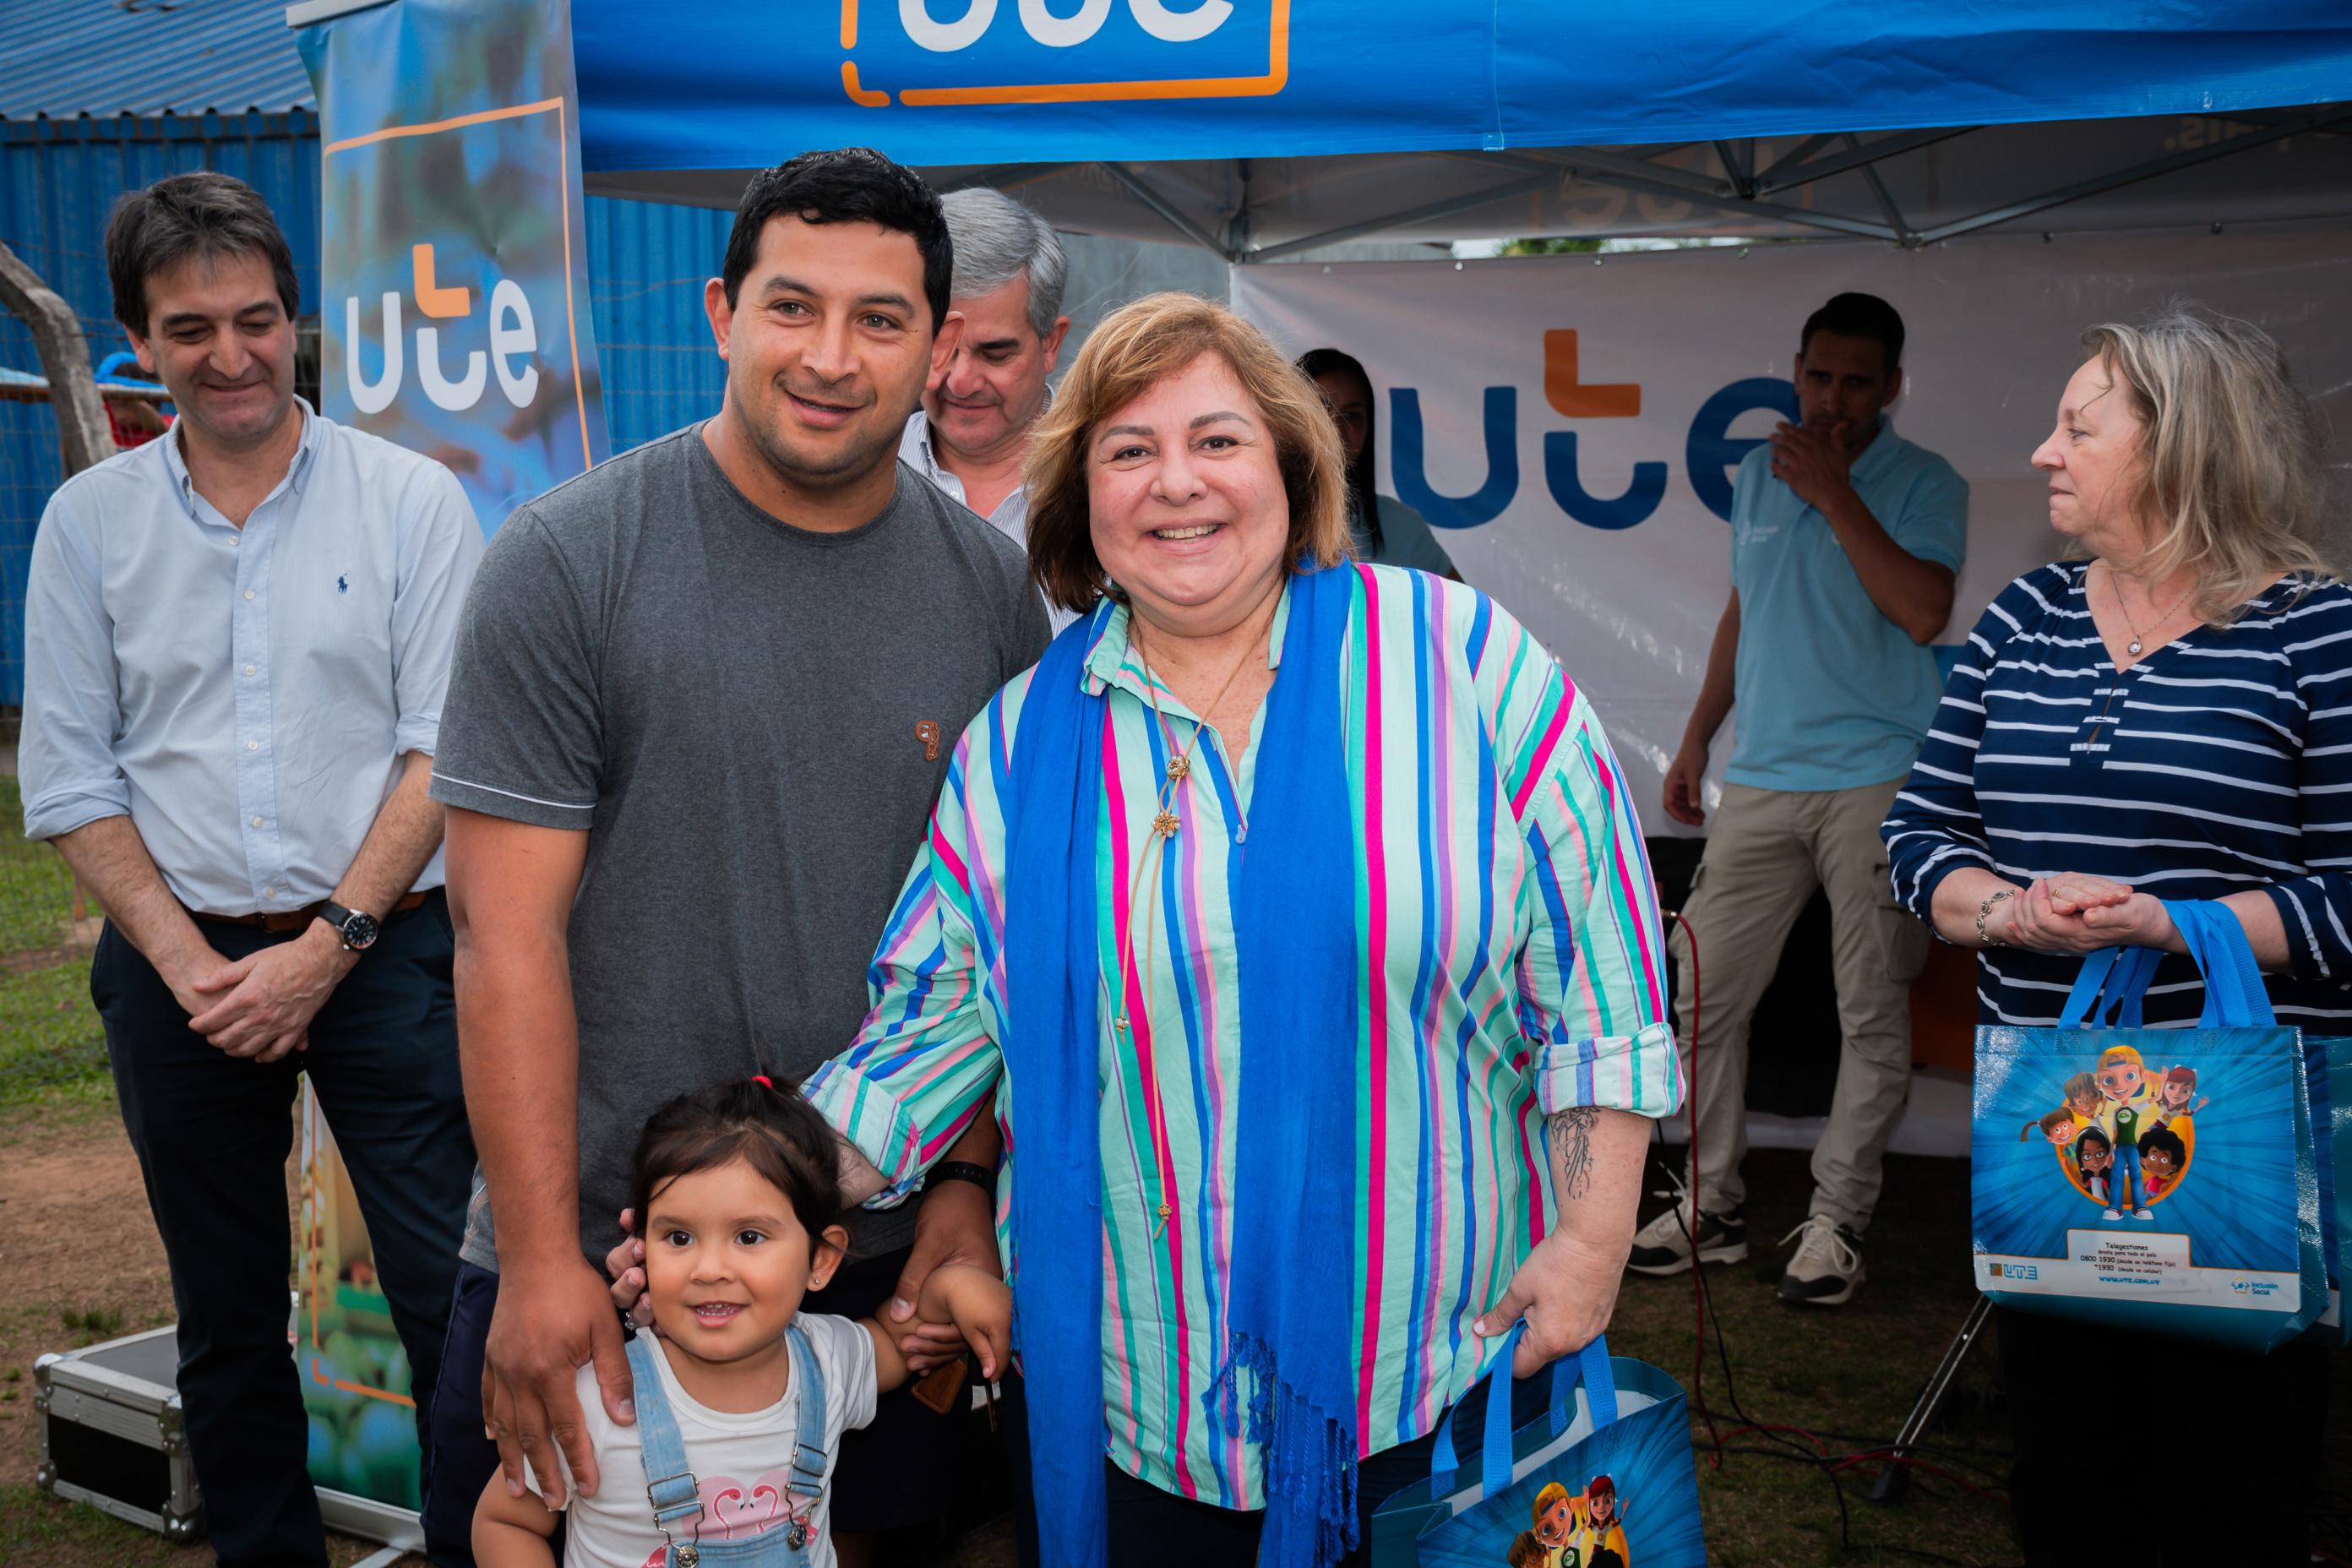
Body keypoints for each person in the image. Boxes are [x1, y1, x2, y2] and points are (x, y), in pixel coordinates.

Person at [794, 294, 1683, 1565]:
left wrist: (1596, 1244)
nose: (1177, 485)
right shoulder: (1020, 746)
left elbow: (1601, 988)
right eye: (1128, 449)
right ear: (1079, 499)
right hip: (1139, 1410)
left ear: (1290, 463)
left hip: (1450, 1372)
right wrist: (740, 1198)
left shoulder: (1461, 660)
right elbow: (923, 1037)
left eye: (1217, 441)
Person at [424, 147, 1050, 1565]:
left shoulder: (991, 593)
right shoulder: (568, 559)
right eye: (791, 306)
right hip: (601, 1257)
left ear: (933, 344)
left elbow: (999, 947)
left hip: (867, 1269)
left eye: (879, 319)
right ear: (720, 313)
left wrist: (957, 1200)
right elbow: (498, 940)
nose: (830, 358)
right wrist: (537, 1262)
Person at [18, 171, 482, 1565]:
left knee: (442, 1297)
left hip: (388, 950)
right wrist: (195, 966)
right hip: (181, 967)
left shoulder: (410, 500)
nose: (229, 354)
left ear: (297, 320)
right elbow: (71, 776)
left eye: (256, 319)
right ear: (136, 342)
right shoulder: (88, 527)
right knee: (223, 1308)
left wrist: (324, 946)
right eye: (189, 327)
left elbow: (440, 749)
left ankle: (484, 1543)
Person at [1880, 303, 2340, 1564]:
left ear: (2182, 446)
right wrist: (2011, 909)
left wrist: (2173, 926)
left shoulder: (2316, 634)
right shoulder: (2022, 620)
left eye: (2079, 426)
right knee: (2067, 1473)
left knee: (2232, 1481)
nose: (2043, 451)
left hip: (2238, 1145)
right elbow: (1917, 841)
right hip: (2050, 1132)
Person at [1634, 291, 1968, 1307]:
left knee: (1868, 1009)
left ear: (1892, 387)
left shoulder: (1924, 480)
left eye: (1857, 381)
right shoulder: (1754, 473)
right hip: (1766, 776)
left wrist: (1835, 494)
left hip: (1881, 774)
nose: (1833, 398)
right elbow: (1749, 603)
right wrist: (1697, 734)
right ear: (1797, 369)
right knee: (1698, 995)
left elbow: (1922, 611)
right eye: (1819, 376)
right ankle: (1715, 1201)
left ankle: (1836, 1220)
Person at [472, 1080, 1010, 1568]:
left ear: (821, 1260)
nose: (710, 1270)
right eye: (679, 1237)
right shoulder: (601, 1399)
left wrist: (952, 1289)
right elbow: (506, 1521)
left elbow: (899, 1340)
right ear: (641, 1248)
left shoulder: (827, 1361)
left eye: (749, 1237)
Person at [898, 187, 1080, 627]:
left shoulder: (1109, 478)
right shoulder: (858, 469)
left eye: (995, 354)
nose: (961, 380)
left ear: (1051, 344)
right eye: (940, 347)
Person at [1298, 346, 1461, 577]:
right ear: (1289, 417)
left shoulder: (1400, 526)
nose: (1335, 427)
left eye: (1352, 415)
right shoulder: (1260, 515)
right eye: (1320, 409)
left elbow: (1463, 610)